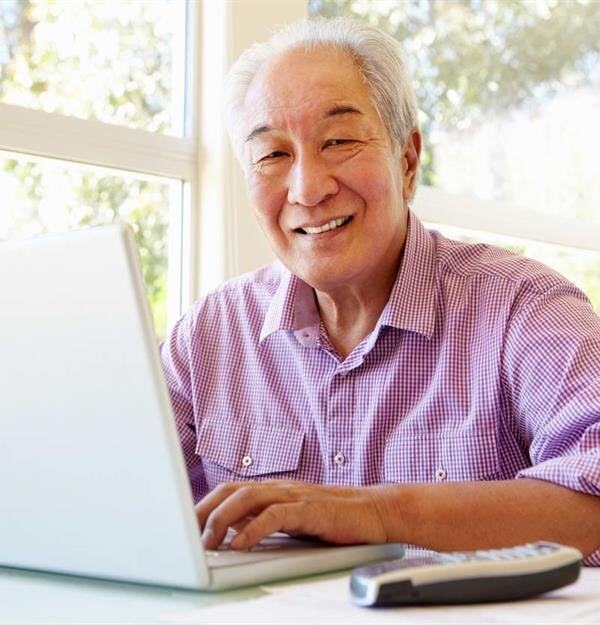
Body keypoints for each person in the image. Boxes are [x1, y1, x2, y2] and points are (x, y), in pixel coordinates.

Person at [160, 17, 600, 564]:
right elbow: (118, 502)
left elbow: (595, 498)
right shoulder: (205, 337)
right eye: (273, 155)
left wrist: (375, 514)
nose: (308, 188)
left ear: (408, 161)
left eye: (339, 140)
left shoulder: (525, 308)